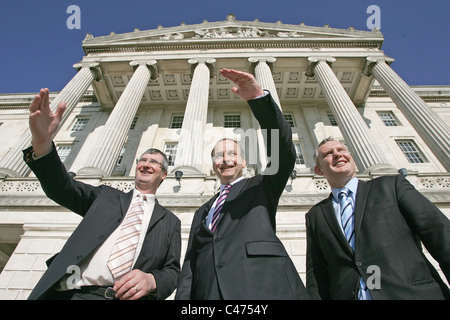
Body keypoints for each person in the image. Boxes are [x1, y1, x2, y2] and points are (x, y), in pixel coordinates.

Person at [23, 88, 181, 300]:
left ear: (164, 174)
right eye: (142, 160)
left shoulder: (170, 222)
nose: (145, 165)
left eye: (153, 162)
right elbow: (62, 187)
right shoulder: (105, 196)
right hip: (72, 295)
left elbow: (172, 270)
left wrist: (152, 280)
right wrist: (42, 143)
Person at [175, 68, 309, 300]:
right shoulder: (202, 211)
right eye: (218, 155)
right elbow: (190, 267)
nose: (225, 159)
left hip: (263, 292)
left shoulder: (262, 187)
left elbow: (283, 153)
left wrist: (258, 100)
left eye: (231, 154)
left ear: (244, 161)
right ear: (212, 164)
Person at [305, 137, 450, 300]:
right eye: (329, 154)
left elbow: (439, 233)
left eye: (341, 150)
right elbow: (317, 276)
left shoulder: (391, 186)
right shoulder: (315, 215)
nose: (338, 154)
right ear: (318, 170)